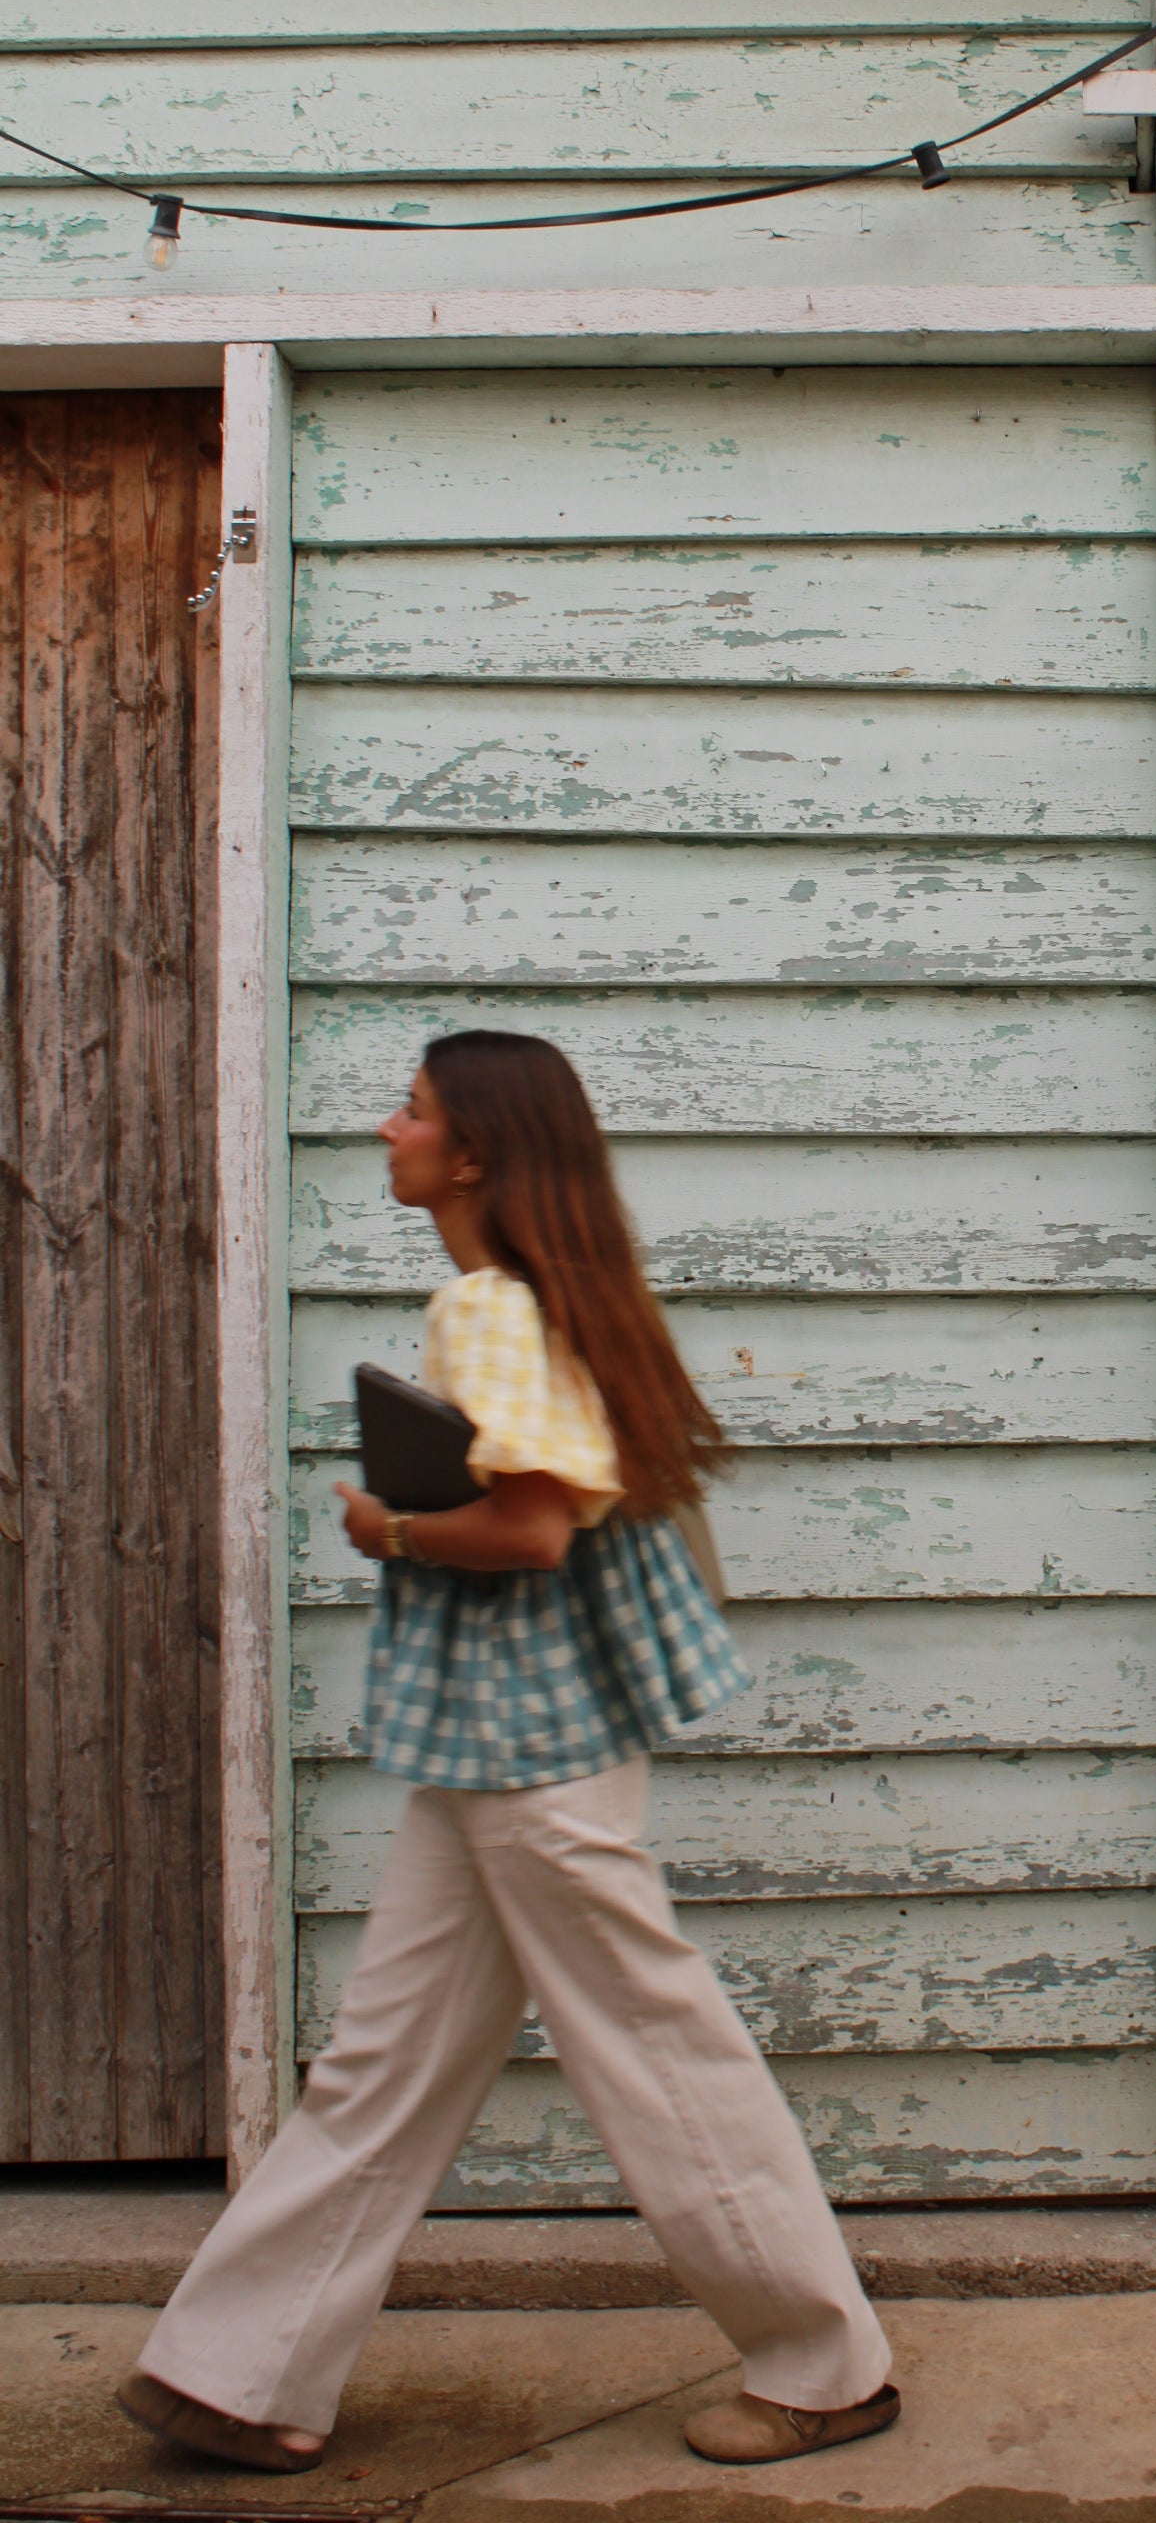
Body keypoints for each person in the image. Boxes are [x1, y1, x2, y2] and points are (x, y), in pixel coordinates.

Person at [119, 1029, 898, 2473]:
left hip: (530, 1742)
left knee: (650, 2040)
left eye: (408, 1112)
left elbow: (531, 1530)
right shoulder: (552, 1297)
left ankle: (822, 2361)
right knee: (388, 2058)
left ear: (470, 1152)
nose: (384, 1131)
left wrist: (390, 1528)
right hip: (506, 1738)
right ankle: (243, 2374)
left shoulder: (487, 1308)